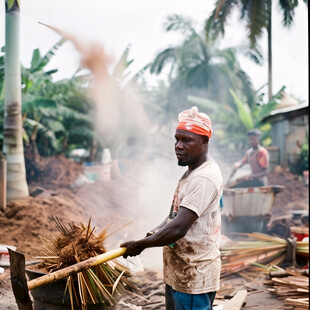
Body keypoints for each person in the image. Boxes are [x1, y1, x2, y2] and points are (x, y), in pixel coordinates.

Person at [121, 106, 223, 310]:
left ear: (204, 141)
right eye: (177, 139)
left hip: (194, 276)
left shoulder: (203, 178)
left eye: (187, 140)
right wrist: (157, 230)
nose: (178, 146)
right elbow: (175, 217)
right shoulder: (191, 173)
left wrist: (141, 245)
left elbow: (178, 228)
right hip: (180, 272)